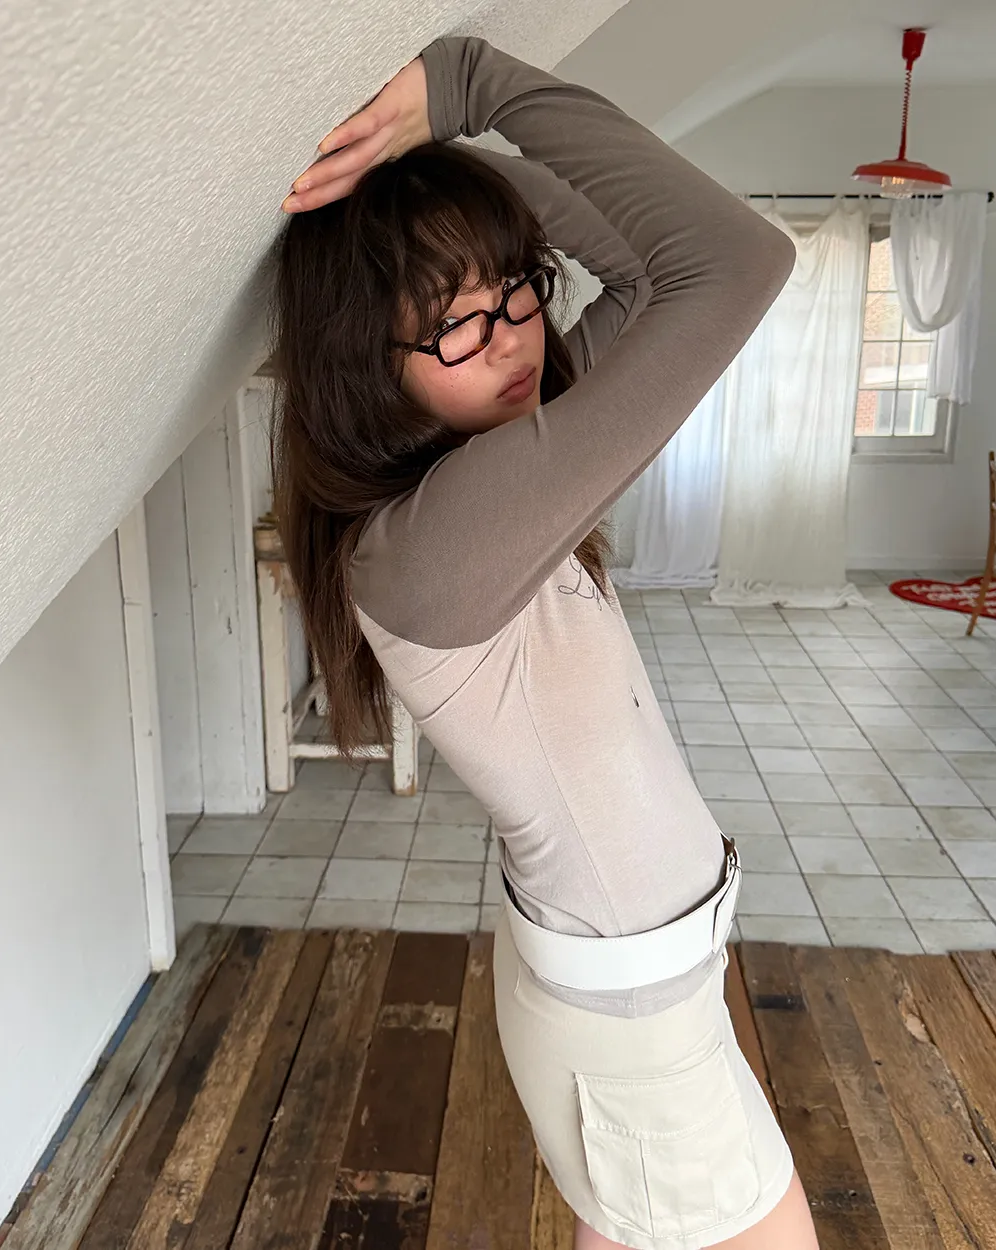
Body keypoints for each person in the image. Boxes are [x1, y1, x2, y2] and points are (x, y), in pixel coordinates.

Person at [272, 34, 816, 1250]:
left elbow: (628, 273)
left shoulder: (476, 473)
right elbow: (734, 261)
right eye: (456, 325)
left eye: (517, 287)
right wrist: (473, 86)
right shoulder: (439, 540)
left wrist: (435, 182)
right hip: (631, 1026)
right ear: (365, 366)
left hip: (627, 995)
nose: (516, 334)